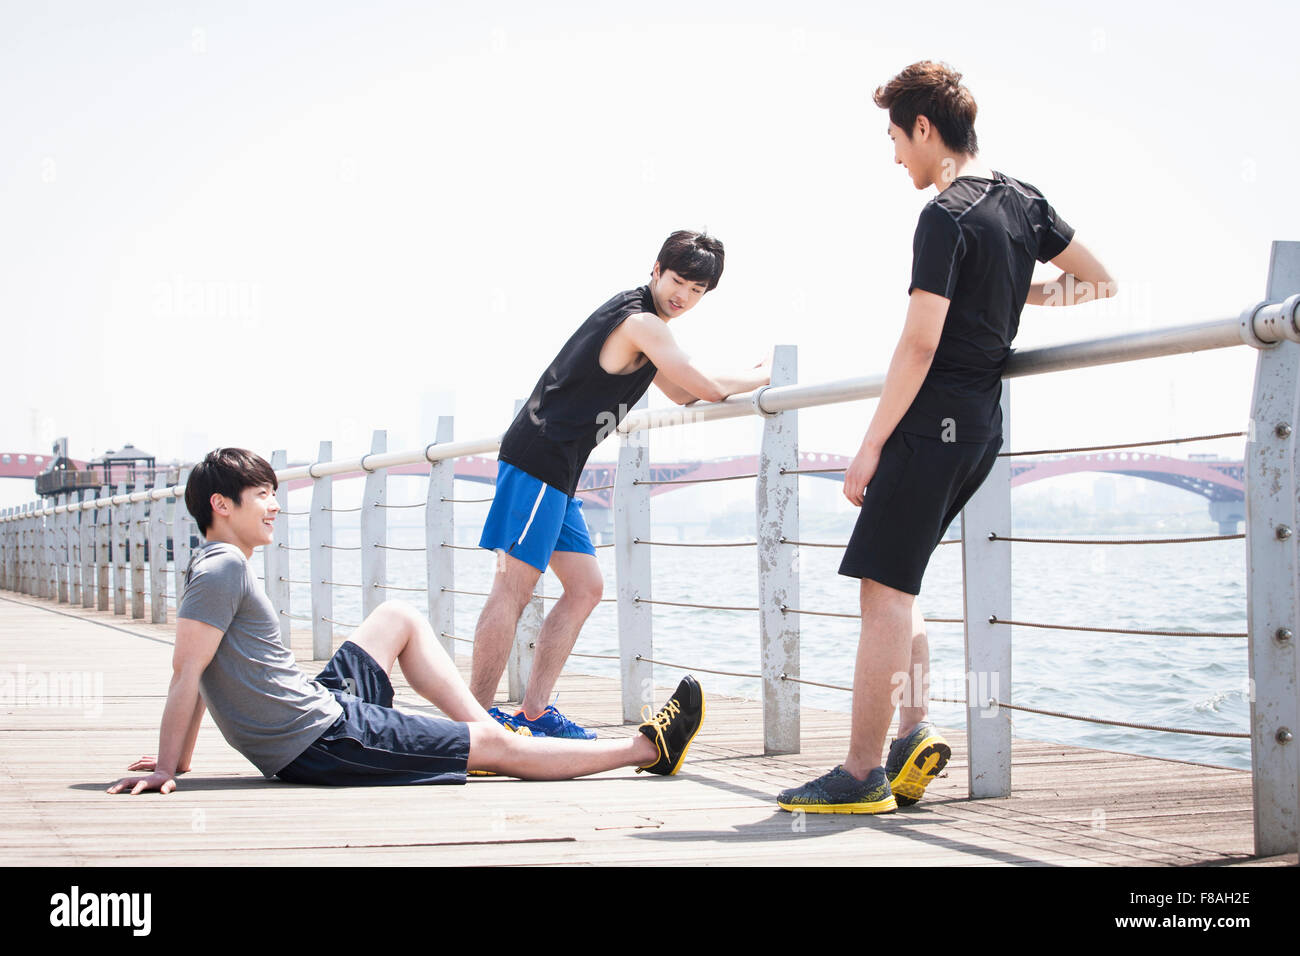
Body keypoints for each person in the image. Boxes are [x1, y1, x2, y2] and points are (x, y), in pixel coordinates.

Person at [778, 62, 1116, 813]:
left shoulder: (945, 215)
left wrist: (869, 445)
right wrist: (1012, 290)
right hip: (981, 426)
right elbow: (1098, 280)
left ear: (925, 130)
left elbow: (920, 344)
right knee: (900, 582)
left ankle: (860, 776)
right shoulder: (1022, 201)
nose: (896, 155)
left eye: (896, 138)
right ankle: (911, 736)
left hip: (931, 425)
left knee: (883, 595)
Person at [108, 448, 704, 795]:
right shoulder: (222, 571)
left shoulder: (222, 566)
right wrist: (167, 766)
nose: (275, 504)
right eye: (262, 493)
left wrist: (180, 761)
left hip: (317, 707)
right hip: (322, 742)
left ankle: (487, 729)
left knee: (397, 617)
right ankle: (641, 749)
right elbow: (188, 671)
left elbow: (206, 671)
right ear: (221, 504)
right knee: (494, 749)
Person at [470, 230, 770, 739]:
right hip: (540, 461)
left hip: (557, 469)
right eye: (678, 281)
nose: (684, 296)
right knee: (513, 588)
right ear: (656, 269)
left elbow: (677, 393)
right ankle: (470, 722)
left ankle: (534, 711)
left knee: (585, 588)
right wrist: (762, 376)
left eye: (697, 291)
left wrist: (727, 381)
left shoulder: (644, 324)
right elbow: (708, 388)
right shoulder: (642, 322)